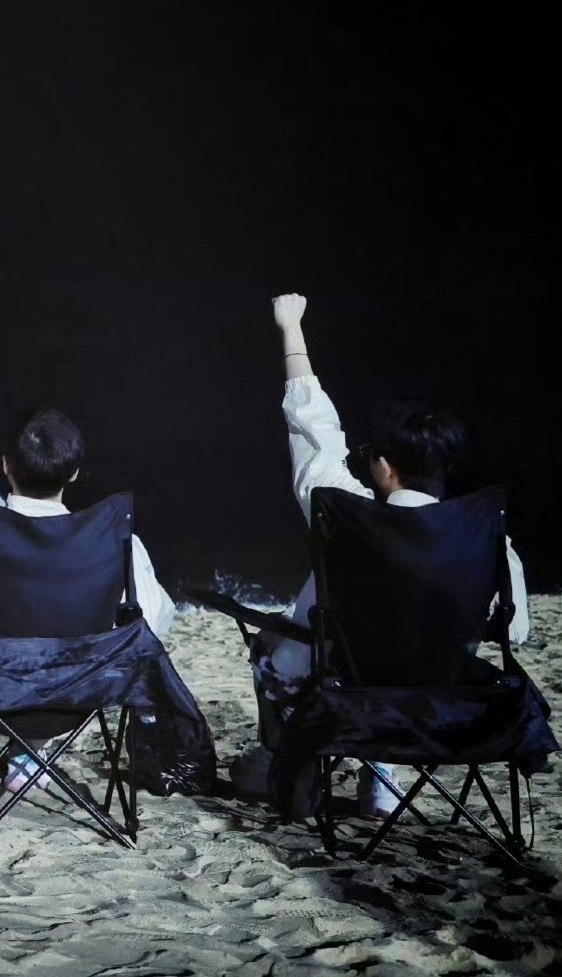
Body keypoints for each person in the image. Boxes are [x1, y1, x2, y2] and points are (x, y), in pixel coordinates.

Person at [228, 293, 530, 817]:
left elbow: (313, 430)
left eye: (370, 456)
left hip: (348, 696)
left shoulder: (349, 516)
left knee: (275, 644)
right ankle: (381, 776)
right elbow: (515, 630)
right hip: (443, 703)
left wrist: (291, 329)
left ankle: (284, 762)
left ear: (386, 467)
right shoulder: (487, 538)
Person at [0, 281, 178, 794]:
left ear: (5, 467)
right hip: (76, 701)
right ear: (74, 473)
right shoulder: (114, 542)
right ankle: (31, 755)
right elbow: (153, 621)